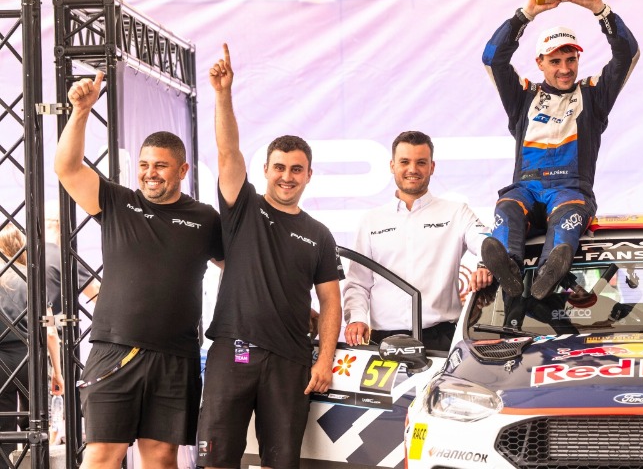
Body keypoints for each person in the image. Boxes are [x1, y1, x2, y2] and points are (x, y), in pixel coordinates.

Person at [53, 71, 222, 469]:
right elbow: (67, 168)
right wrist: (80, 112)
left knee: (161, 458)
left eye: (161, 166)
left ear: (182, 171)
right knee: (101, 457)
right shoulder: (118, 202)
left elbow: (243, 270)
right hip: (115, 350)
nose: (150, 173)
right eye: (144, 164)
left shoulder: (205, 219)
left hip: (176, 357)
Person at [197, 45, 342, 469]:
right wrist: (223, 94)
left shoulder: (319, 234)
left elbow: (331, 302)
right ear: (265, 170)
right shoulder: (244, 208)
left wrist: (325, 360)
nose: (287, 176)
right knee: (216, 459)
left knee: (282, 462)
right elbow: (228, 153)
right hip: (233, 351)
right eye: (279, 167)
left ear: (308, 175)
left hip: (290, 362)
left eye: (296, 169)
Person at [479, 0, 639, 300]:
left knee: (566, 222)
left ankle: (549, 273)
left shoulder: (594, 96)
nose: (564, 69)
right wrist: (525, 14)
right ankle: (509, 270)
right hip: (525, 188)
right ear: (539, 62)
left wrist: (599, 10)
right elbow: (492, 58)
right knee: (507, 206)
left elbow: (627, 54)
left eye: (571, 59)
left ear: (579, 58)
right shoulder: (523, 96)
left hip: (570, 192)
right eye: (555, 61)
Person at [343, 130, 493, 352]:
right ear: (392, 165)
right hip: (383, 341)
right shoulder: (371, 220)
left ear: (432, 167)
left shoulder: (457, 212)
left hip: (441, 338)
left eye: (421, 162)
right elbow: (358, 282)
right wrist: (356, 317)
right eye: (405, 162)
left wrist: (486, 265)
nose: (412, 169)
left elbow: (488, 244)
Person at [0, 225, 64, 456]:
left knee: (2, 430)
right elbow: (49, 331)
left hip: (0, 362)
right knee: (36, 427)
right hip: (29, 359)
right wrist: (57, 371)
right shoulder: (31, 278)